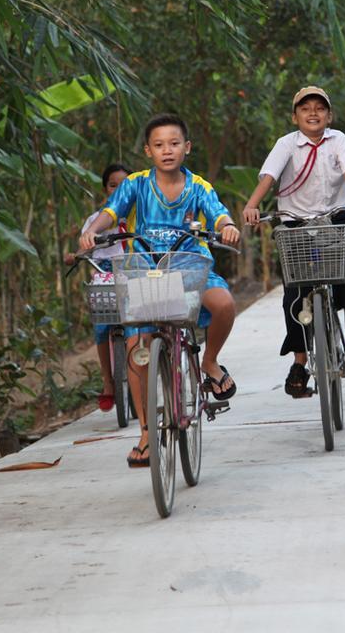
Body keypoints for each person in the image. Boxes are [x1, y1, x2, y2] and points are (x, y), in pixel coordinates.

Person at [79, 113, 241, 467]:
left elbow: (218, 213)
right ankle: (146, 433)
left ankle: (210, 361)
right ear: (148, 151)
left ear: (186, 147)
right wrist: (93, 230)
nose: (167, 150)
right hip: (145, 272)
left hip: (190, 268)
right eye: (159, 145)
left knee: (225, 304)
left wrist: (227, 227)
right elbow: (109, 211)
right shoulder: (135, 184)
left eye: (174, 143)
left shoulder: (198, 185)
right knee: (138, 349)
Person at [243, 86, 345, 399]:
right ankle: (300, 361)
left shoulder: (338, 140)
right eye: (305, 108)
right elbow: (268, 176)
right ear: (295, 116)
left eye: (319, 108)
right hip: (294, 223)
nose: (313, 113)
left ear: (329, 115)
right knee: (295, 292)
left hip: (332, 219)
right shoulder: (286, 144)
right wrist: (252, 204)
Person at [74, 163, 133, 412]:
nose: (118, 189)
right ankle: (107, 381)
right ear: (105, 190)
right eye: (112, 185)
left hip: (132, 270)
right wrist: (76, 255)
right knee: (101, 326)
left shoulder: (136, 215)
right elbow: (84, 246)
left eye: (124, 185)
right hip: (105, 276)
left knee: (146, 323)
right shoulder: (95, 220)